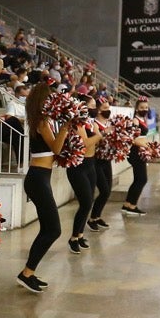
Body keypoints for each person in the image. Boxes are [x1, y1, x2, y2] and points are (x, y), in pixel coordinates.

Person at [17, 81, 70, 294]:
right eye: (50, 98)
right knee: (53, 229)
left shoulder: (43, 120)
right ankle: (26, 273)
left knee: (49, 229)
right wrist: (66, 128)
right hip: (38, 179)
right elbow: (56, 148)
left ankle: (28, 272)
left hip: (40, 177)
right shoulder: (41, 121)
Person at [64, 104, 105, 254]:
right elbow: (85, 143)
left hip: (90, 164)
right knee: (85, 202)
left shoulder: (90, 123)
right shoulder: (76, 124)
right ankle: (73, 237)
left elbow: (94, 143)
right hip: (78, 168)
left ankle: (80, 235)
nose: (95, 108)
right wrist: (99, 135)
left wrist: (98, 135)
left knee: (89, 202)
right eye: (92, 105)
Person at [84, 97, 117, 233]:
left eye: (108, 108)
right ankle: (92, 218)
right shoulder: (95, 124)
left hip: (106, 160)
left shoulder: (109, 122)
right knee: (104, 190)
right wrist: (106, 133)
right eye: (104, 109)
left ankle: (97, 216)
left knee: (108, 190)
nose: (107, 111)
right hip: (96, 160)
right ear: (97, 110)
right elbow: (97, 140)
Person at [119, 101, 154, 217]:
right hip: (135, 152)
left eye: (146, 107)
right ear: (137, 109)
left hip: (141, 151)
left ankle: (127, 204)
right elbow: (131, 138)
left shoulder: (143, 120)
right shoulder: (135, 120)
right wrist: (144, 146)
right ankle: (132, 206)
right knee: (142, 179)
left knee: (138, 179)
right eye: (142, 107)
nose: (145, 109)